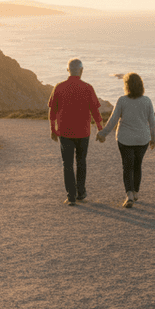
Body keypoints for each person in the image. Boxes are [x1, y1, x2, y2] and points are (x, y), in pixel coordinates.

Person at [48, 58, 104, 206]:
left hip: (65, 132)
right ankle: (81, 192)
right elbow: (95, 111)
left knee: (67, 164)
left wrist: (53, 129)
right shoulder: (88, 88)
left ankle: (70, 196)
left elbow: (52, 111)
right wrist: (100, 130)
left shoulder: (59, 87)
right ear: (81, 70)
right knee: (81, 162)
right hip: (83, 132)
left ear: (68, 70)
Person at [96, 72, 155, 208]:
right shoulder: (147, 100)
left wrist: (103, 134)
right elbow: (152, 122)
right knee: (137, 165)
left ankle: (129, 195)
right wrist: (153, 138)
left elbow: (113, 120)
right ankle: (135, 192)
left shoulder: (122, 100)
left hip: (125, 139)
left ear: (127, 86)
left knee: (127, 166)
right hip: (142, 139)